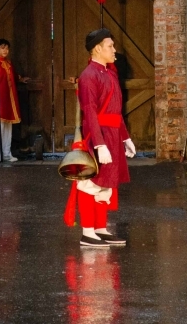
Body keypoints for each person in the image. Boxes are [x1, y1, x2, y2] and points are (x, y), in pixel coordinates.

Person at [64, 28, 134, 248]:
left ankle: (100, 229)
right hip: (97, 135)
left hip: (112, 134)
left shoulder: (110, 73)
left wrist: (125, 137)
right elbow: (90, 112)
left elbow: (116, 111)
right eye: (110, 46)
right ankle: (87, 232)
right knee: (90, 183)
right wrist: (100, 143)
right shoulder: (88, 76)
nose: (114, 50)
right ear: (97, 49)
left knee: (106, 184)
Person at [0, 39, 25, 163]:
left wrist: (20, 78)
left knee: (7, 127)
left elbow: (13, 76)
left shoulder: (9, 63)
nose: (5, 50)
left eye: (7, 48)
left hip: (9, 98)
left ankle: (6, 153)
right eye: (2, 48)